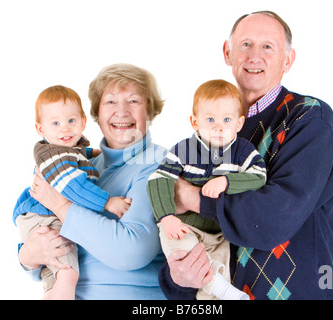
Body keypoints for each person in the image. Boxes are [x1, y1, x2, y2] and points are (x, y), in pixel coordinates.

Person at [159, 11, 333, 300]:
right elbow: (181, 235)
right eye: (245, 44)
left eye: (268, 46)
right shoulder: (209, 133)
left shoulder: (309, 119)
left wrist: (190, 198)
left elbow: (273, 218)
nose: (254, 56)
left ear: (288, 59)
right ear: (227, 53)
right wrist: (178, 279)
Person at [15, 63, 167, 300]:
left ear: (151, 111)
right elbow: (50, 237)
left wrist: (61, 205)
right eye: (110, 102)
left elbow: (130, 251)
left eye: (134, 101)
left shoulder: (157, 165)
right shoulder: (85, 166)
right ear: (96, 114)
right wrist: (28, 256)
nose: (122, 111)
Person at [147, 79, 266, 300]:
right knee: (183, 253)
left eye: (227, 120)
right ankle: (223, 290)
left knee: (217, 275)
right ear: (195, 122)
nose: (218, 127)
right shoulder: (183, 150)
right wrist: (166, 217)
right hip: (184, 227)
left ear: (239, 123)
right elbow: (158, 179)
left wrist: (227, 181)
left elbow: (259, 177)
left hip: (220, 232)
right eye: (210, 119)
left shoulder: (243, 151)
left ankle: (219, 291)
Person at [13, 85, 133, 299]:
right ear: (41, 129)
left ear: (83, 122)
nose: (65, 129)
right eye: (56, 123)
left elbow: (82, 155)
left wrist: (103, 152)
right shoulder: (55, 157)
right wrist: (107, 203)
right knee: (67, 274)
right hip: (44, 216)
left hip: (43, 215)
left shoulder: (68, 149)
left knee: (56, 277)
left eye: (71, 121)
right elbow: (74, 188)